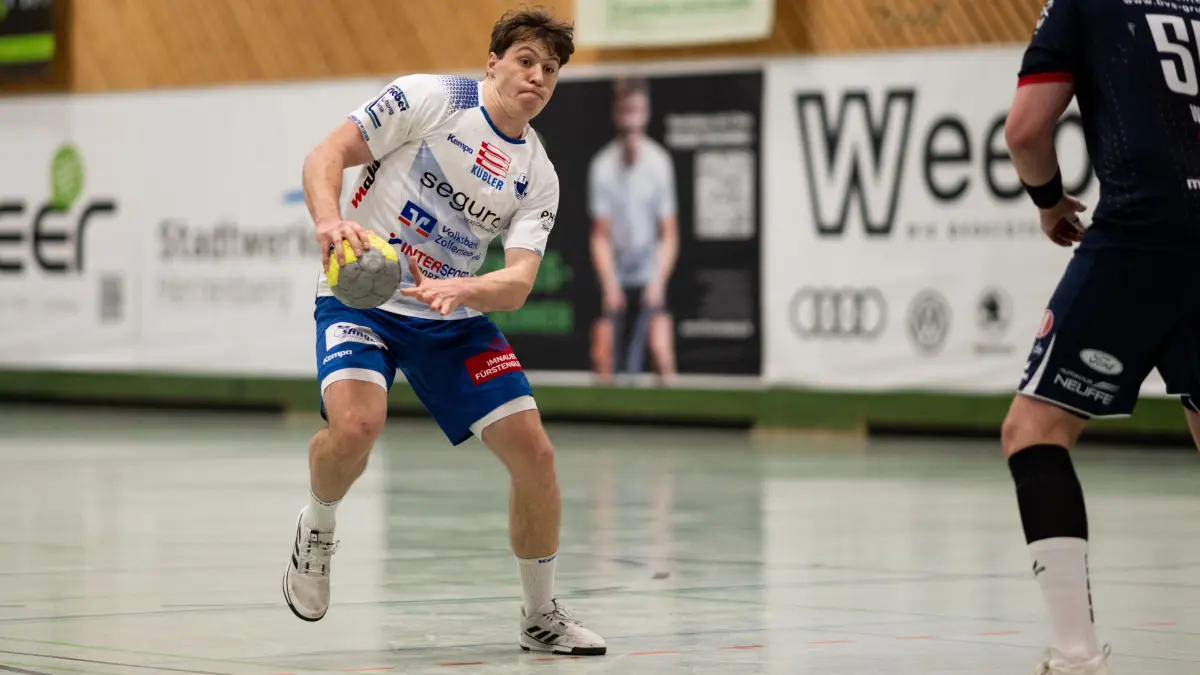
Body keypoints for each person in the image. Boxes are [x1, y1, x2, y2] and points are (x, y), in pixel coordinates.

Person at [283, 8, 606, 657]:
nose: (537, 76)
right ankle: (316, 526)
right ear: (494, 63)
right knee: (354, 427)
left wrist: (464, 288)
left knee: (535, 456)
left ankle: (539, 616)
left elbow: (516, 282)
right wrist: (328, 222)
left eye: (550, 69)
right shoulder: (431, 99)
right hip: (363, 294)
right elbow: (327, 155)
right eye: (525, 60)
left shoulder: (537, 175)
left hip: (448, 310)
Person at [1004, 0, 1200, 672]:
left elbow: (1026, 130)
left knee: (1033, 431)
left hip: (1143, 234)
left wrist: (1050, 200)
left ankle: (1076, 653)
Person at [587, 77, 679, 386]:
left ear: (646, 112)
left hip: (650, 275)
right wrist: (610, 284)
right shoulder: (601, 166)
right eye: (625, 110)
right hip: (615, 277)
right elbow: (600, 235)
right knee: (602, 359)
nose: (631, 119)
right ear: (616, 113)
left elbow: (668, 235)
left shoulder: (660, 164)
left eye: (636, 110)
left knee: (661, 352)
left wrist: (657, 281)